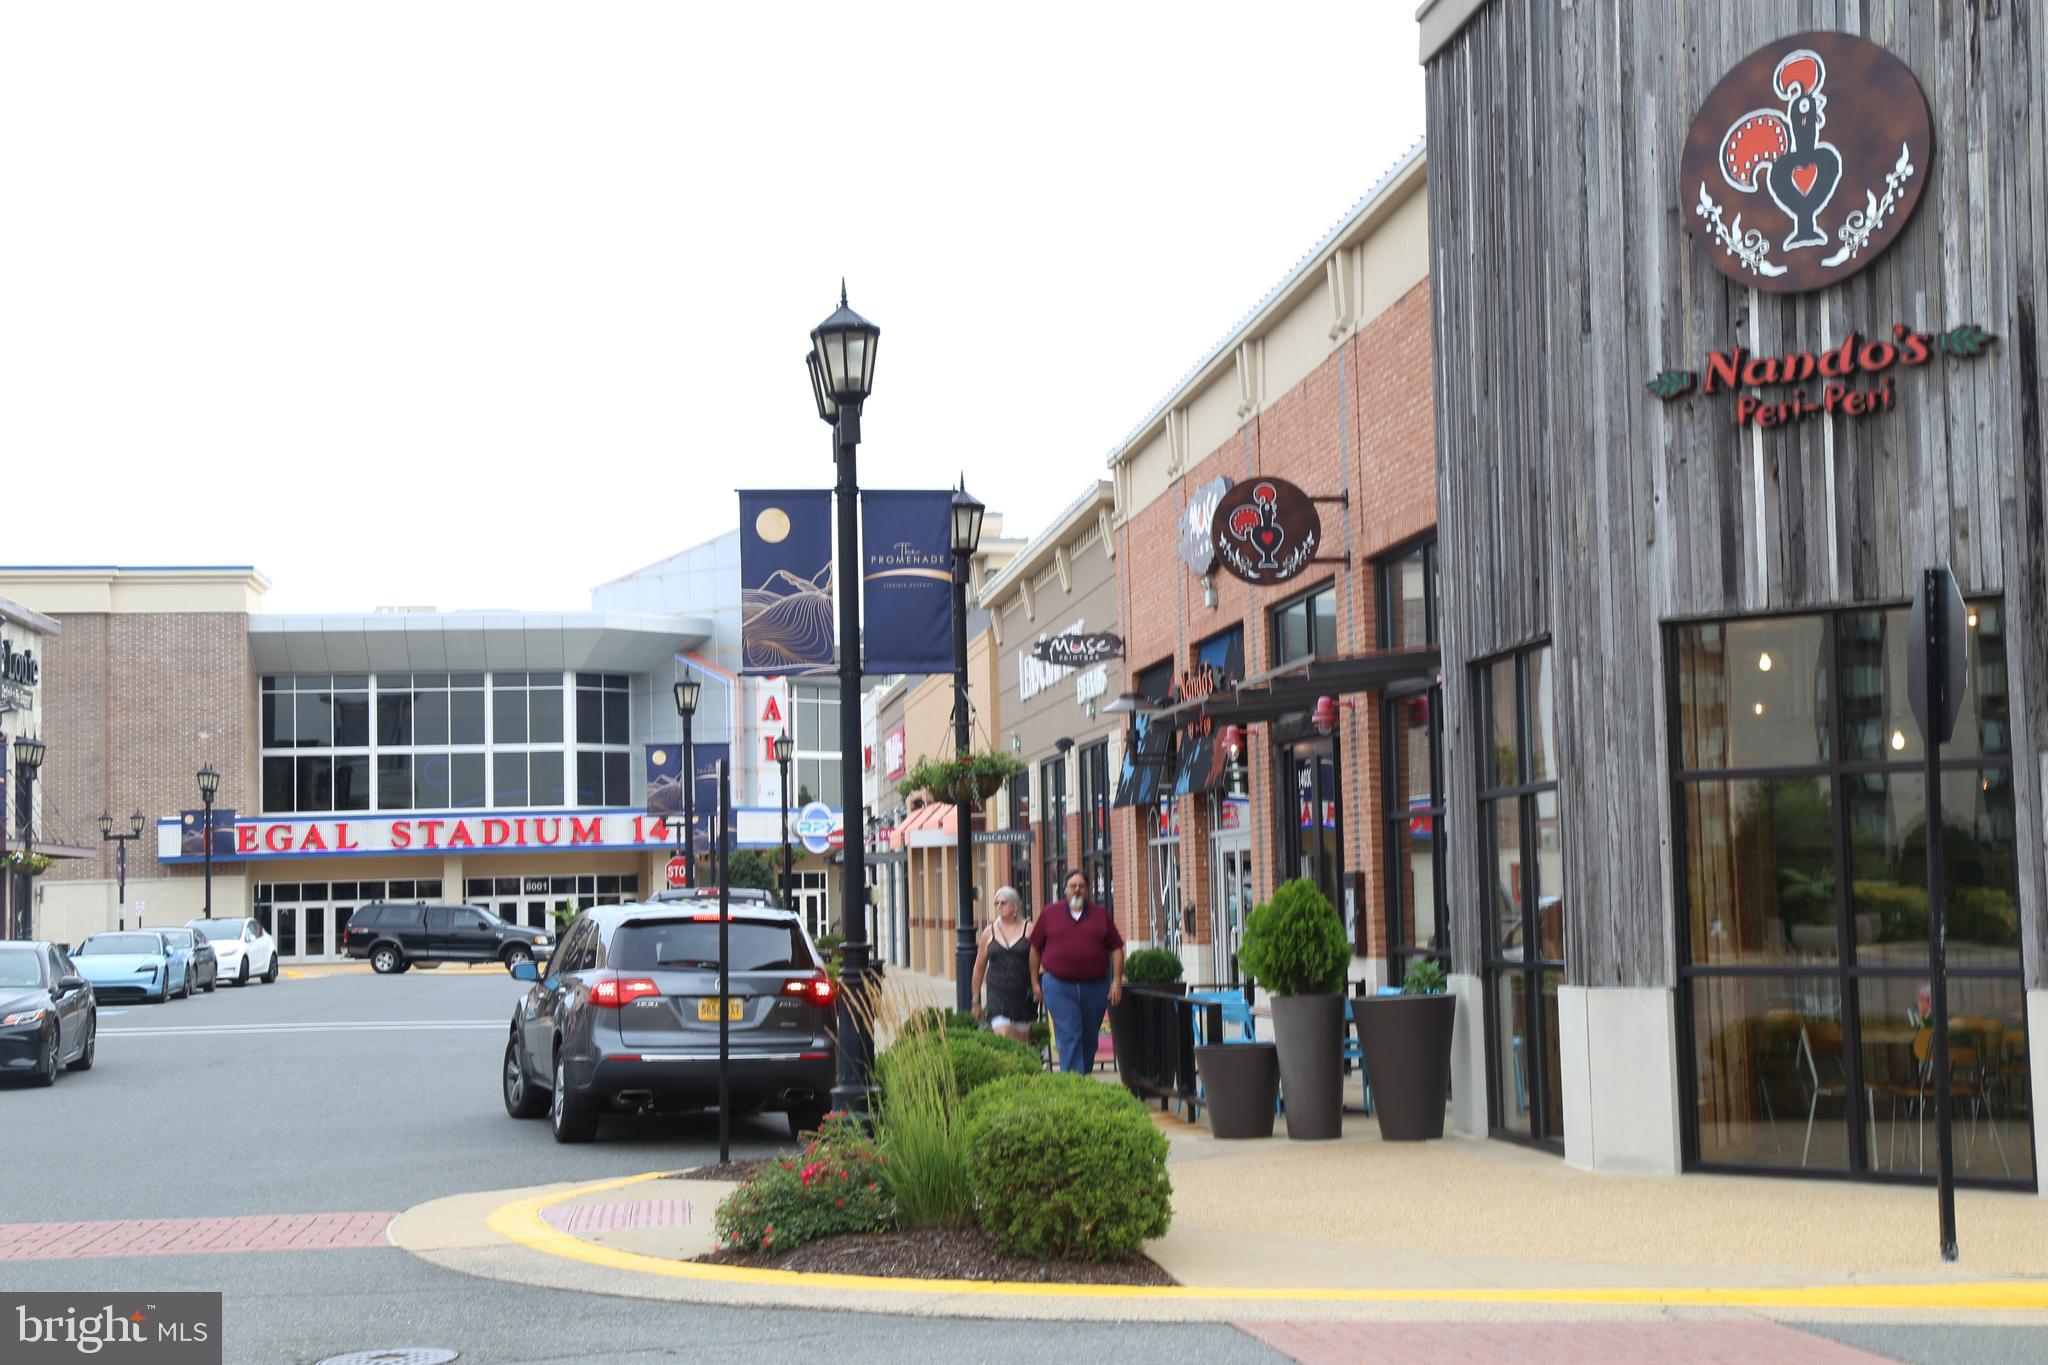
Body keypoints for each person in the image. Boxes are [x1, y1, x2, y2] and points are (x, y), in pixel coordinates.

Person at [1029, 868, 1124, 1075]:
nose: (1077, 890)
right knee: (1070, 1034)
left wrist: (1116, 982)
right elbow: (1035, 949)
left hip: (1095, 987)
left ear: (1088, 890)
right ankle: (1073, 1085)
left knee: (1090, 1038)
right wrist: (1035, 984)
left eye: (1081, 886)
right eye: (1073, 886)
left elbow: (1116, 948)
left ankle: (1082, 1079)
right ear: (1065, 890)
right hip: (1059, 986)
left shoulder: (1101, 916)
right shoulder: (1049, 914)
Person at [970, 885, 1035, 1043]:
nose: (999, 906)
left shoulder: (1029, 929)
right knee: (1003, 1034)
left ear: (1014, 906)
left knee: (1021, 1042)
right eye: (996, 903)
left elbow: (1037, 963)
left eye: (1003, 903)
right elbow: (978, 970)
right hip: (997, 995)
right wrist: (976, 1000)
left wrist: (1037, 986)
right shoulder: (989, 932)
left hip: (1022, 994)